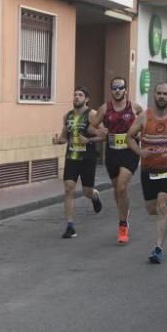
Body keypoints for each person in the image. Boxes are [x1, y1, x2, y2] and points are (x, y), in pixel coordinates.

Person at [125, 83, 167, 263]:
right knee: (151, 209)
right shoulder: (143, 117)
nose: (162, 96)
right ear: (154, 95)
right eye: (159, 93)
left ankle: (158, 248)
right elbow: (129, 137)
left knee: (161, 206)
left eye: (165, 94)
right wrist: (140, 152)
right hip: (148, 168)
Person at [91, 76, 142, 244]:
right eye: (114, 88)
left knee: (121, 186)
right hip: (112, 153)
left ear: (126, 89)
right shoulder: (105, 108)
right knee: (117, 189)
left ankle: (123, 224)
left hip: (130, 151)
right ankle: (123, 210)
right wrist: (101, 130)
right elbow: (92, 125)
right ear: (111, 90)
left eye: (121, 87)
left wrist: (141, 132)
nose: (118, 90)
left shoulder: (134, 107)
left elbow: (145, 121)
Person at [52, 86, 103, 239]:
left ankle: (94, 196)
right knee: (68, 188)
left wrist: (89, 139)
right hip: (71, 158)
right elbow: (64, 137)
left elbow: (104, 134)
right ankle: (70, 226)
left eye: (80, 95)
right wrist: (58, 140)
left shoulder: (92, 114)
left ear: (86, 99)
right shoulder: (67, 116)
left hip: (87, 158)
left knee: (87, 191)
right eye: (75, 95)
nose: (76, 97)